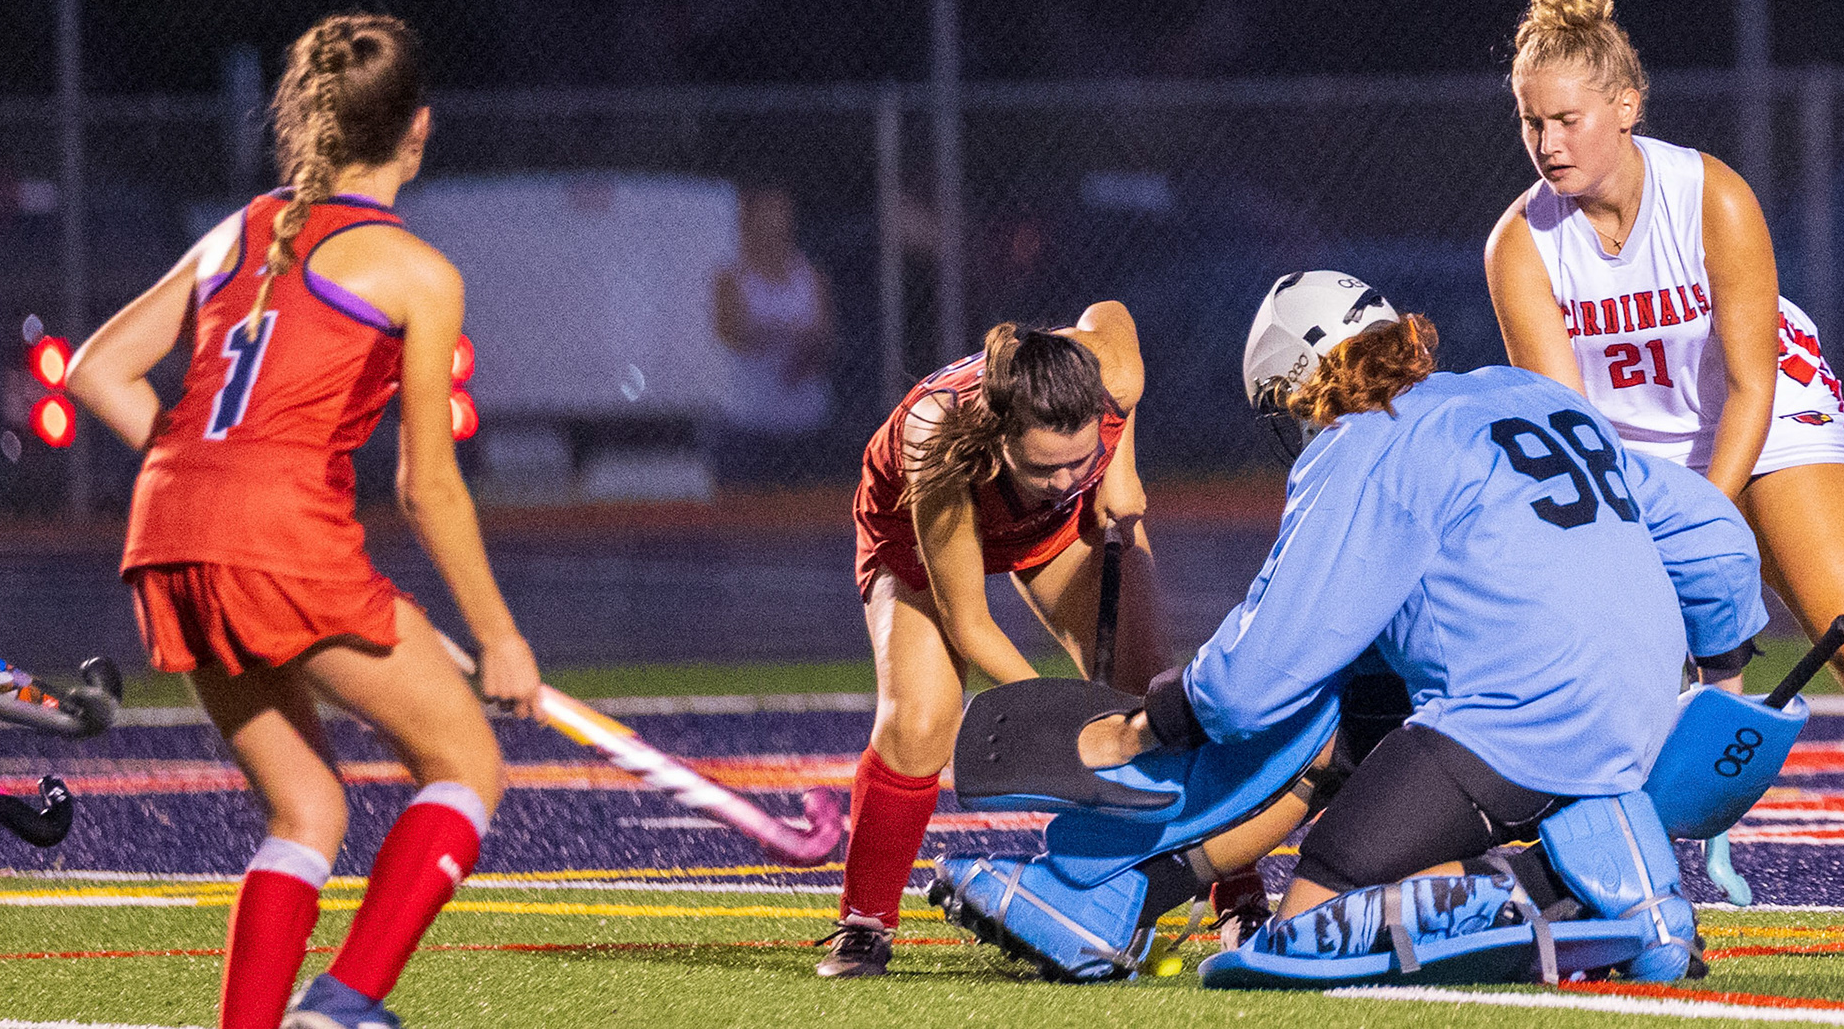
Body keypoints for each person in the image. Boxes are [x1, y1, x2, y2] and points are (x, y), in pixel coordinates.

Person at [1072, 270, 1764, 975]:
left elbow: (1258, 678)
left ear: (1302, 382)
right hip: (1643, 713)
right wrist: (1722, 682)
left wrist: (1161, 717)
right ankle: (1607, 847)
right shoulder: (1530, 393)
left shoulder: (1365, 441)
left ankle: (1559, 891)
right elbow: (1717, 540)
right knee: (1352, 706)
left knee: (1302, 938)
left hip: (1509, 723)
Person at [67, 13, 540, 1029]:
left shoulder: (242, 227)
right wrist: (499, 634)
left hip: (165, 537)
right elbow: (428, 486)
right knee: (465, 763)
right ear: (418, 128)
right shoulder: (418, 271)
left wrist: (197, 473)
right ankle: (342, 1005)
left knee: (308, 808)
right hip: (279, 537)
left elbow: (96, 369)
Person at [1485, 0, 1844, 734]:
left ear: (1626, 106)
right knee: (1591, 672)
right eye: (1531, 122)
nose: (1548, 144)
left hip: (1767, 410)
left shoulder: (1712, 196)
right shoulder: (1520, 244)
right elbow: (1570, 430)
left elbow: (1750, 386)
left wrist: (1702, 525)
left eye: (1567, 119)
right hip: (1630, 449)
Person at [822, 304, 1165, 977]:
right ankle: (864, 924)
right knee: (921, 722)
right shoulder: (939, 442)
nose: (1065, 479)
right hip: (914, 528)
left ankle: (1239, 901)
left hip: (1051, 528)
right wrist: (1063, 718)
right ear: (1000, 437)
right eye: (1044, 468)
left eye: (1080, 460)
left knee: (1151, 693)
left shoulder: (1114, 375)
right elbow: (970, 623)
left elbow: (1111, 314)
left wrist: (1118, 466)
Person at [710, 186, 835, 485]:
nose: (777, 220)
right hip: (748, 422)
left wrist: (806, 350)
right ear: (749, 218)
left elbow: (826, 339)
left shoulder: (811, 275)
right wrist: (785, 333)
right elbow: (731, 333)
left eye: (782, 211)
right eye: (768, 211)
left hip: (805, 421)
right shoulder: (731, 278)